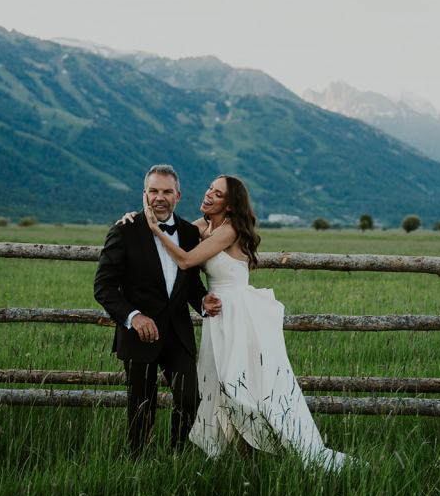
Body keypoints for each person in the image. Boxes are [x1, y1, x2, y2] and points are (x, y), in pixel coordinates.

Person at [123, 174, 348, 470]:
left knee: (246, 386)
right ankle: (239, 454)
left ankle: (265, 449)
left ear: (229, 206)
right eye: (209, 189)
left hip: (240, 314)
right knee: (219, 385)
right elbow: (175, 228)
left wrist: (154, 228)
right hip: (217, 315)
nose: (208, 195)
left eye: (217, 195)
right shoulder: (202, 226)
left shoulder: (230, 230)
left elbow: (187, 261)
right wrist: (138, 218)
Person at [94, 164, 221, 457]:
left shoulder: (190, 233)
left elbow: (189, 284)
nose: (159, 197)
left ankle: (178, 457)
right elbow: (103, 286)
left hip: (178, 333)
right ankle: (138, 463)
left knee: (191, 399)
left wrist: (203, 302)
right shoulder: (124, 230)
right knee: (141, 406)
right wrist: (133, 317)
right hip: (139, 336)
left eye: (166, 191)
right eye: (153, 191)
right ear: (144, 194)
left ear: (178, 195)